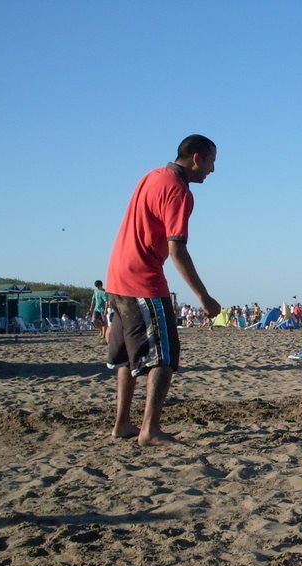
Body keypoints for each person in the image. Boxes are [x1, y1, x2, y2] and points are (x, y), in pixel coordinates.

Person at [105, 134, 220, 447]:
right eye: (211, 162)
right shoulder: (178, 190)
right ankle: (150, 429)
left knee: (129, 358)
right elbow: (176, 249)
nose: (212, 170)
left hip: (117, 275)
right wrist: (203, 296)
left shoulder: (152, 176)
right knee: (164, 359)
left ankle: (122, 424)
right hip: (143, 278)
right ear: (196, 158)